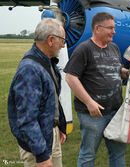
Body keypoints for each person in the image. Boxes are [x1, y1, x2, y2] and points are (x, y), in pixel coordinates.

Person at [63, 12, 130, 167]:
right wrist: (89, 102)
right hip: (93, 114)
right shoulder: (83, 49)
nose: (114, 31)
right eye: (110, 28)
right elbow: (71, 78)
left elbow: (118, 70)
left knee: (118, 153)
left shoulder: (114, 48)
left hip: (116, 112)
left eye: (114, 28)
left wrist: (129, 71)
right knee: (88, 154)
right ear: (97, 28)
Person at [8, 18, 67, 167]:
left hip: (50, 134)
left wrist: (59, 125)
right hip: (38, 144)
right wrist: (41, 155)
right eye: (62, 40)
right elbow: (27, 119)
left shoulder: (49, 62)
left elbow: (52, 98)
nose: (63, 45)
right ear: (51, 40)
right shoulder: (30, 69)